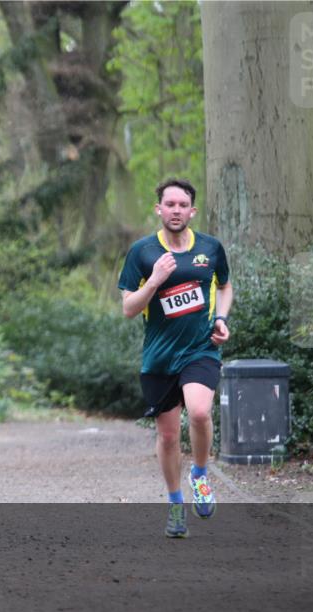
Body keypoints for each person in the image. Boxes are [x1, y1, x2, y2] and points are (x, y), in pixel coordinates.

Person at [118, 178, 233, 538]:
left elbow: (225, 285)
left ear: (192, 211)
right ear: (159, 209)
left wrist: (221, 318)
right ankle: (175, 503)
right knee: (168, 437)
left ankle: (199, 474)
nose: (176, 210)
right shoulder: (142, 252)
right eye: (170, 204)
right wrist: (153, 282)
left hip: (200, 350)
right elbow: (128, 309)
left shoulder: (211, 249)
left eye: (183, 205)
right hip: (159, 358)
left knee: (199, 412)